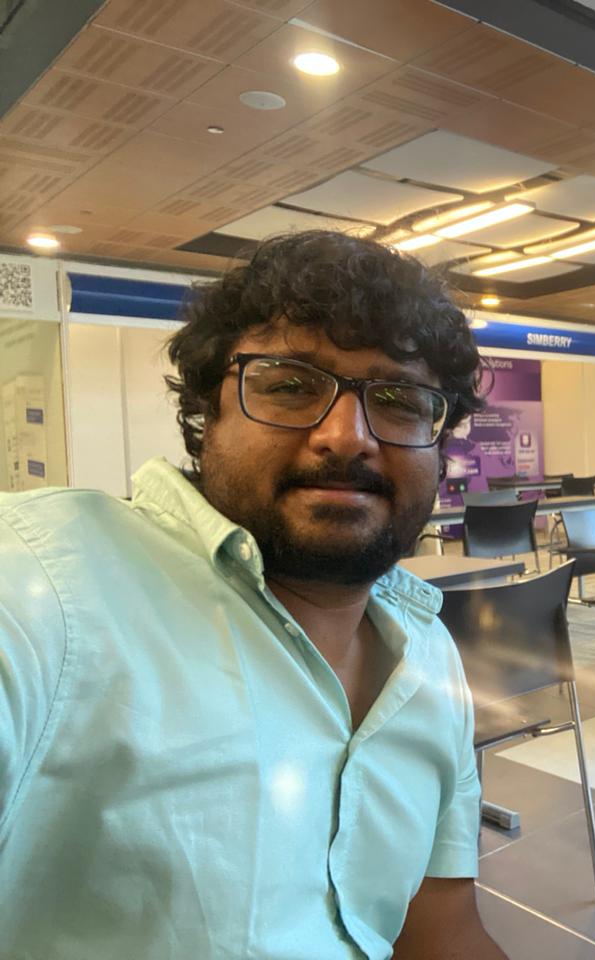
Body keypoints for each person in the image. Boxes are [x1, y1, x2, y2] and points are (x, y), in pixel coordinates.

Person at [0, 232, 507, 960]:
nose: (346, 438)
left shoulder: (427, 654)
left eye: (399, 400)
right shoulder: (47, 587)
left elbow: (443, 933)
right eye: (290, 385)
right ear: (207, 411)